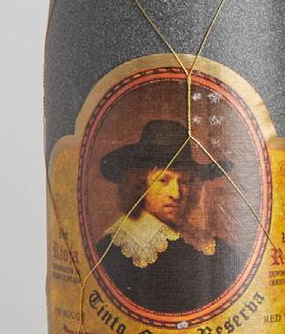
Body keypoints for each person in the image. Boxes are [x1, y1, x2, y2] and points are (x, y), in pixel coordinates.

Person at [94, 118, 244, 319]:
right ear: (140, 185)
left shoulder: (206, 244)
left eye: (184, 182)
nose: (176, 193)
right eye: (163, 180)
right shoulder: (114, 251)